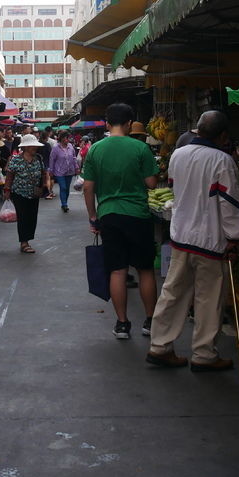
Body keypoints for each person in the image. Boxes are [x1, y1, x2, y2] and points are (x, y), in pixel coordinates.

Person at [146, 111, 239, 371]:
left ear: (198, 130)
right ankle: (204, 354)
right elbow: (230, 203)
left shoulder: (178, 155)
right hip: (210, 240)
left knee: (173, 292)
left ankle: (159, 346)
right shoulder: (222, 161)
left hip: (181, 236)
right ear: (223, 136)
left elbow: (177, 188)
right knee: (208, 298)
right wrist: (234, 237)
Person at [83, 103, 159, 340]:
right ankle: (150, 322)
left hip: (109, 215)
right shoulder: (140, 148)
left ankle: (123, 324)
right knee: (145, 270)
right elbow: (152, 184)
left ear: (107, 123)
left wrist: (92, 216)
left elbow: (87, 186)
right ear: (129, 124)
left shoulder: (95, 149)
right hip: (138, 214)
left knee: (117, 271)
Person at [3, 134, 50, 253]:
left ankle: (27, 238)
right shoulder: (16, 160)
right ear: (26, 147)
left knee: (32, 217)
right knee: (23, 217)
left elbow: (44, 173)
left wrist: (44, 185)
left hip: (34, 193)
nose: (35, 148)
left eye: (35, 146)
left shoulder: (38, 158)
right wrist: (7, 190)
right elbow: (9, 176)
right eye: (32, 146)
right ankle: (24, 242)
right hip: (19, 193)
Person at [49, 131, 78, 213]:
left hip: (70, 171)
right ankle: (64, 204)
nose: (67, 140)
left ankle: (64, 203)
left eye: (68, 138)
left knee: (67, 189)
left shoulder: (70, 146)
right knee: (63, 187)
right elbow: (52, 159)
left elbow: (74, 157)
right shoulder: (56, 148)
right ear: (61, 138)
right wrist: (51, 170)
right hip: (59, 171)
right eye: (66, 138)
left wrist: (76, 167)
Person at [36, 130, 55, 199]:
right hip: (46, 163)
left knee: (40, 179)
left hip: (38, 164)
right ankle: (48, 193)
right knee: (47, 179)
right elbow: (51, 155)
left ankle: (41, 192)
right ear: (46, 137)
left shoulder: (37, 144)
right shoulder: (47, 145)